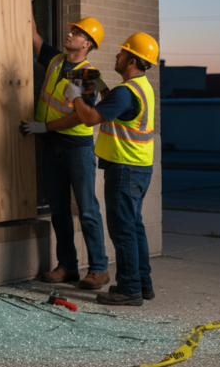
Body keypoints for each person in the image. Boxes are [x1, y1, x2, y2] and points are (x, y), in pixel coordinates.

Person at [64, 32, 159, 306]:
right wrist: (98, 84)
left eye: (121, 53)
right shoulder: (140, 86)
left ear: (131, 60)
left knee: (122, 230)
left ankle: (129, 289)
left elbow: (91, 118)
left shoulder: (125, 92)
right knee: (134, 227)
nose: (116, 56)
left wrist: (76, 97)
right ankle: (143, 283)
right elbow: (114, 104)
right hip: (139, 168)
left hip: (124, 169)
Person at [18, 14, 110, 291]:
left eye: (77, 33)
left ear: (88, 44)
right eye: (72, 31)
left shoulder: (89, 75)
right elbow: (33, 35)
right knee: (58, 210)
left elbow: (83, 117)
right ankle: (68, 265)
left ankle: (99, 269)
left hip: (76, 148)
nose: (69, 34)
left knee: (87, 210)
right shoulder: (57, 59)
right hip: (52, 144)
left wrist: (43, 126)